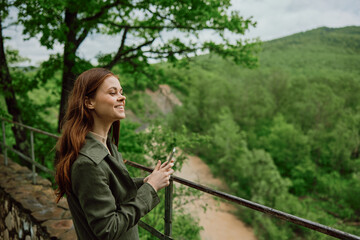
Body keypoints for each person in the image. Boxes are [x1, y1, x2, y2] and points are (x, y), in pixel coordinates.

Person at [54, 68, 174, 240]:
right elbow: (108, 229)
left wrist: (144, 182)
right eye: (112, 93)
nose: (122, 97)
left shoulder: (107, 146)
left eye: (121, 92)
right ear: (89, 102)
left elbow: (110, 189)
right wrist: (150, 189)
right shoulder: (87, 163)